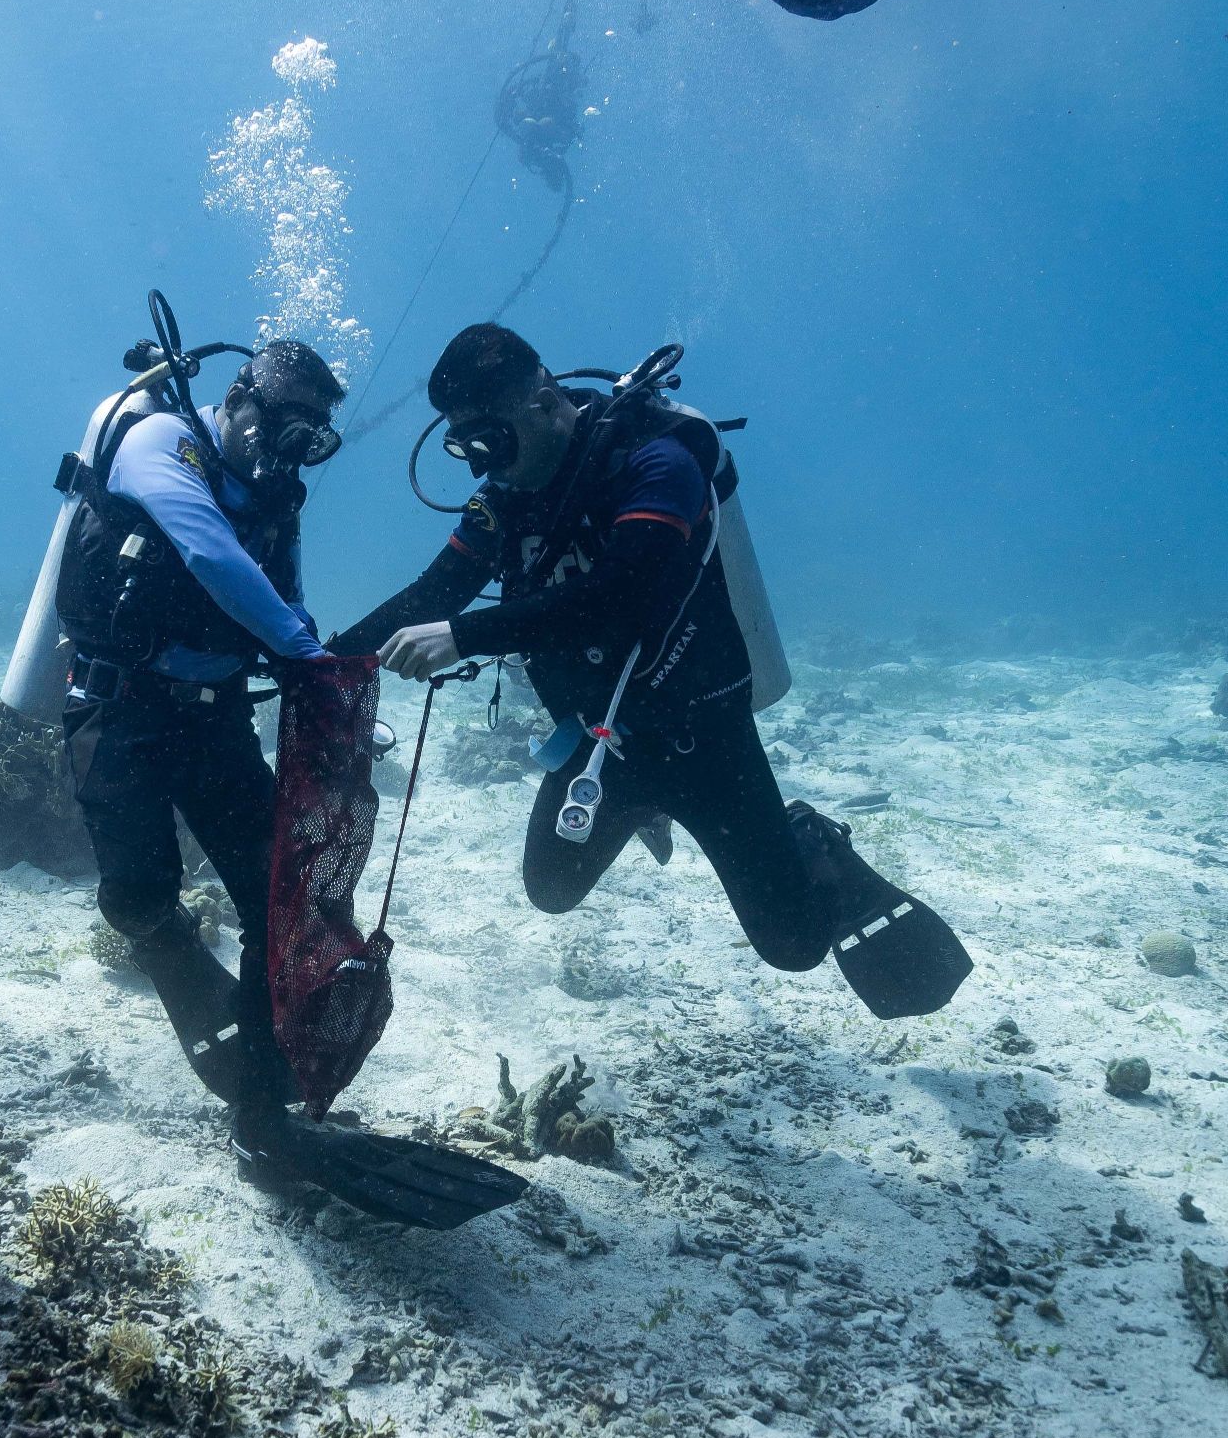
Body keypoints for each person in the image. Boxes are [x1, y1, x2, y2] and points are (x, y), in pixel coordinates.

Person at [334, 323, 970, 1020]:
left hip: (703, 740)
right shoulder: (507, 499)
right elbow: (434, 594)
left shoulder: (658, 461)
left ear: (544, 403)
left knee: (793, 946)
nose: (485, 467)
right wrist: (319, 658)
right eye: (468, 449)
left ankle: (810, 842)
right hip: (597, 740)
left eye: (494, 441)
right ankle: (639, 805)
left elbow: (623, 598)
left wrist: (466, 635)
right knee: (550, 889)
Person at [55, 335, 344, 1114]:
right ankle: (170, 943)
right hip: (120, 709)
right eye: (285, 430)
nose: (289, 456)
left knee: (275, 897)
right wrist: (309, 658)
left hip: (216, 721)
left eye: (310, 441)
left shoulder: (279, 497)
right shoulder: (159, 442)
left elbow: (284, 596)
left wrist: (308, 653)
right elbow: (210, 553)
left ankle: (264, 1101)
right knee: (139, 894)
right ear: (241, 398)